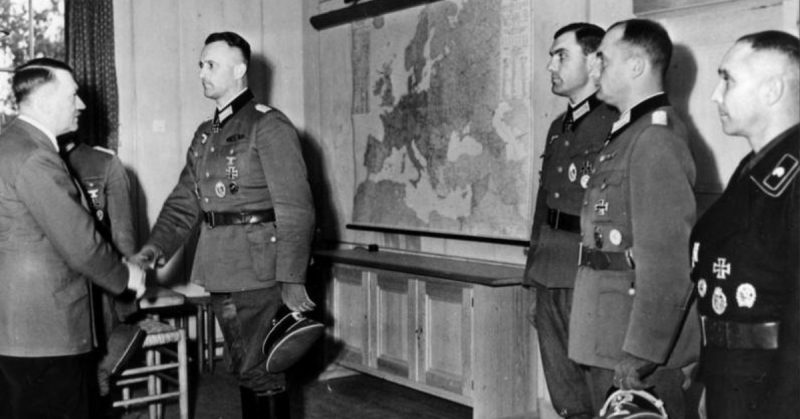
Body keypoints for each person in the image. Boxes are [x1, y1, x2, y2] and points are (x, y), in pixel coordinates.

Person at [130, 31, 315, 419]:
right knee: (247, 370)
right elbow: (184, 203)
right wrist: (154, 249)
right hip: (220, 269)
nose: (202, 72)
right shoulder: (206, 134)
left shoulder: (268, 125)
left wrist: (293, 277)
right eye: (200, 64)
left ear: (240, 69)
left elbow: (296, 208)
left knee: (265, 371)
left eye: (210, 64)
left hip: (260, 270)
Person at [567, 19, 700, 418]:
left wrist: (643, 349)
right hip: (608, 327)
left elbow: (668, 259)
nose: (595, 71)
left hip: (633, 344)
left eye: (603, 60)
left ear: (637, 67)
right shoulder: (628, 133)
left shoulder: (654, 139)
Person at [0, 58, 146, 418]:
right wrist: (127, 277)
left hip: (16, 329)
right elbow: (81, 244)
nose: (81, 104)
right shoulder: (36, 156)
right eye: (73, 95)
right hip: (47, 330)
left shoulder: (10, 144)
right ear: (47, 100)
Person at [690, 30, 799, 419]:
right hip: (735, 377)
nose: (716, 95)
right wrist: (712, 379)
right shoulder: (755, 167)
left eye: (728, 79)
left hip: (775, 394)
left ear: (772, 91)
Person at [523, 22, 616, 419]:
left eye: (561, 55)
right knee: (563, 387)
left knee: (601, 384)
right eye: (551, 56)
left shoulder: (615, 123)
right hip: (551, 267)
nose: (551, 66)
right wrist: (532, 273)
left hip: (590, 269)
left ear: (595, 62)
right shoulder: (557, 128)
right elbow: (544, 205)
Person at [62, 139, 140, 397]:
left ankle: (98, 381)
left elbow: (123, 238)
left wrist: (125, 297)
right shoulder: (34, 158)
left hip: (97, 284)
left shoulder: (104, 163)